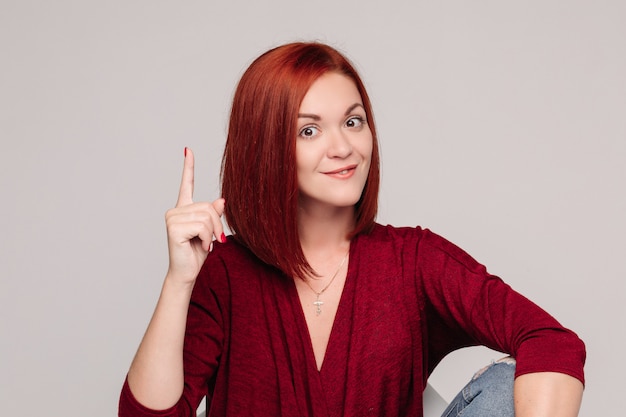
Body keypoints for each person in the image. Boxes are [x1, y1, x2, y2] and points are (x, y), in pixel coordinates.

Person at [119, 42, 585, 417]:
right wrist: (180, 280)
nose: (343, 147)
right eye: (309, 131)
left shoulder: (412, 260)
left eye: (353, 121)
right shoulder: (225, 276)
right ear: (265, 147)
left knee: (509, 388)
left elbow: (553, 342)